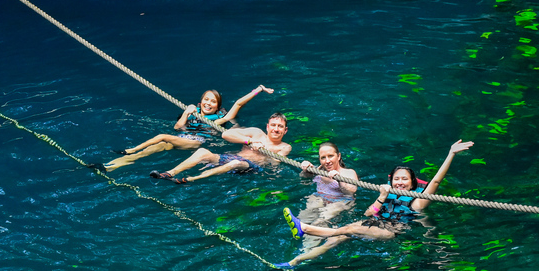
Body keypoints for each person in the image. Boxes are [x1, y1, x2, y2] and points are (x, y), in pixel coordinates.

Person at [278, 140, 474, 267]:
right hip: (373, 223)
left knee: (348, 228)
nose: (400, 183)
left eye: (404, 179)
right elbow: (367, 215)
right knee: (335, 240)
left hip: (392, 230)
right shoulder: (387, 195)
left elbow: (436, 181)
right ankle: (295, 261)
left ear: (412, 183)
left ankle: (305, 228)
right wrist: (381, 196)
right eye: (396, 179)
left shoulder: (418, 201)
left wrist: (451, 154)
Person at [101, 85, 274, 172]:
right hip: (181, 137)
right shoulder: (193, 112)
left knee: (163, 136)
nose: (209, 103)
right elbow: (178, 127)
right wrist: (186, 112)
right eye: (206, 100)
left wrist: (258, 89)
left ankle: (129, 150)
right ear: (201, 102)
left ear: (217, 107)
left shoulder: (219, 120)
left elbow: (238, 103)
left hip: (194, 142)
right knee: (151, 150)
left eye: (213, 102)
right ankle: (110, 166)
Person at [149, 112, 292, 184]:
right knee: (202, 151)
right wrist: (249, 141)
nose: (276, 129)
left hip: (252, 168)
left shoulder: (285, 146)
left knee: (236, 163)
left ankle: (191, 179)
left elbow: (274, 164)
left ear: (285, 131)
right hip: (232, 158)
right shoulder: (256, 133)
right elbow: (226, 134)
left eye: (280, 127)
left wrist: (264, 152)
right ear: (267, 126)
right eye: (273, 125)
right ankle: (169, 173)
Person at [296, 142, 359, 225]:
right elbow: (303, 179)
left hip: (340, 202)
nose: (327, 161)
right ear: (319, 160)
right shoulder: (318, 171)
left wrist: (339, 180)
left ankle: (314, 231)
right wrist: (305, 170)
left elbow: (351, 191)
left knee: (320, 221)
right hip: (320, 198)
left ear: (338, 156)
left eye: (330, 156)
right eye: (323, 158)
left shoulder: (348, 173)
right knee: (303, 218)